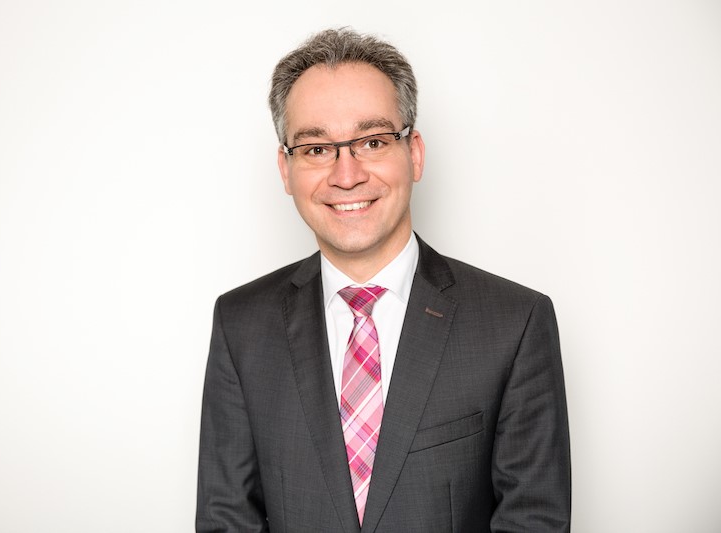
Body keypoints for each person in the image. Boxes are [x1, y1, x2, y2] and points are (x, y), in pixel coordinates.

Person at [196, 27, 570, 532]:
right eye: (316, 149)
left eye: (372, 142)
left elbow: (534, 520)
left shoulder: (514, 323)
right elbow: (226, 520)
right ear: (285, 169)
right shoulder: (240, 324)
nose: (346, 175)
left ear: (414, 153)